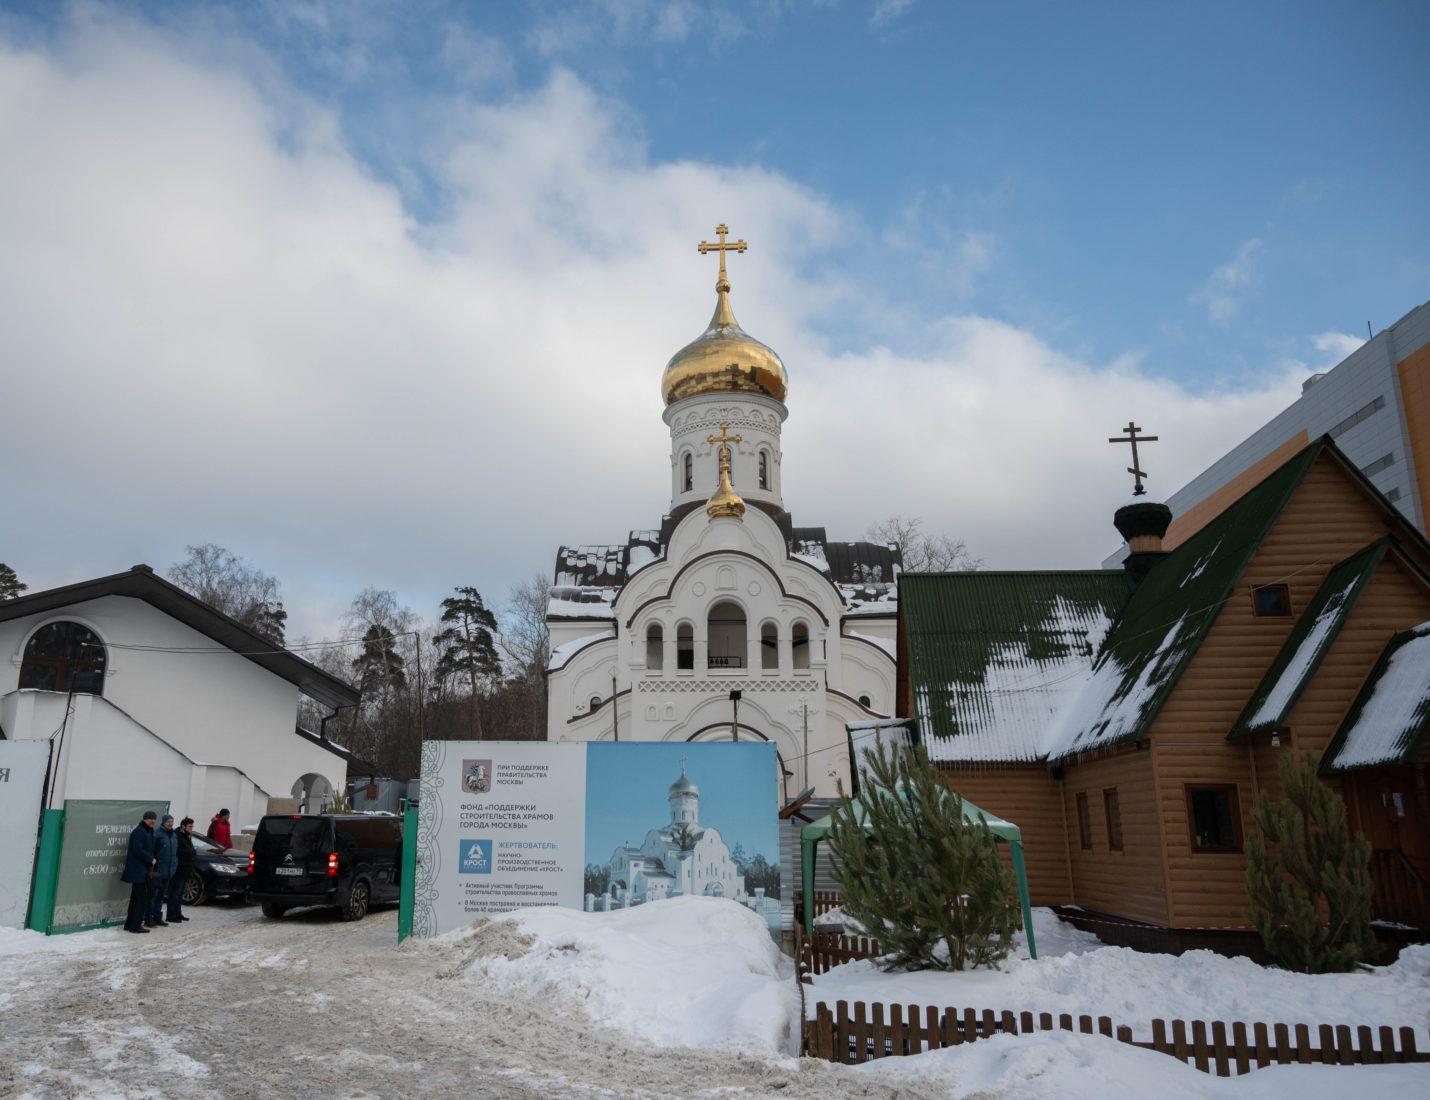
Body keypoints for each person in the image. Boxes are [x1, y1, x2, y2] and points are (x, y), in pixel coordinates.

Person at [120, 810, 157, 934]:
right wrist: (150, 858)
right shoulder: (139, 832)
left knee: (136, 899)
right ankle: (135, 925)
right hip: (137, 871)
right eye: (150, 819)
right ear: (144, 819)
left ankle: (130, 924)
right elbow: (137, 850)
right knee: (140, 899)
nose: (153, 821)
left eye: (154, 819)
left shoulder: (149, 831)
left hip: (142, 870)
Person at [147, 814, 178, 927]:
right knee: (153, 896)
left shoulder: (173, 835)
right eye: (168, 821)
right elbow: (152, 852)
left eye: (172, 821)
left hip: (169, 871)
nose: (170, 823)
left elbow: (175, 853)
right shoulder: (157, 834)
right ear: (163, 822)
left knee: (161, 896)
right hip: (158, 871)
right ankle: (149, 918)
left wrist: (175, 865)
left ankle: (158, 917)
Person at [167, 817, 196, 923]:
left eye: (192, 826)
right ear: (183, 826)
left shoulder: (187, 836)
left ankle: (178, 913)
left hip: (186, 869)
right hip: (179, 869)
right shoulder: (178, 835)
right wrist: (188, 851)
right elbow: (176, 850)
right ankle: (171, 914)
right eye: (189, 826)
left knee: (181, 893)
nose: (191, 828)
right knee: (175, 892)